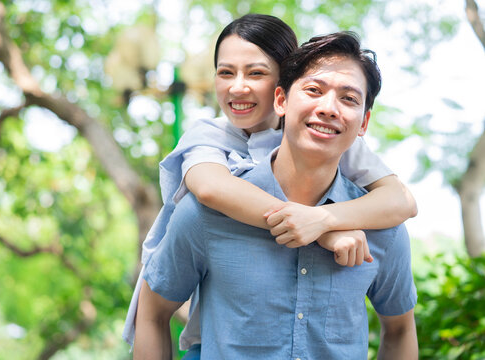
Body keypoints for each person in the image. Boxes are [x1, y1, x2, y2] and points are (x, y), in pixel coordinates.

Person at [124, 14, 417, 354]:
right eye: (225, 72)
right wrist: (323, 230)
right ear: (284, 98)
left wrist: (327, 218)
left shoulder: (350, 163)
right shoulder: (209, 142)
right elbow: (210, 189)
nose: (238, 86)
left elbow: (403, 202)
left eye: (256, 72)